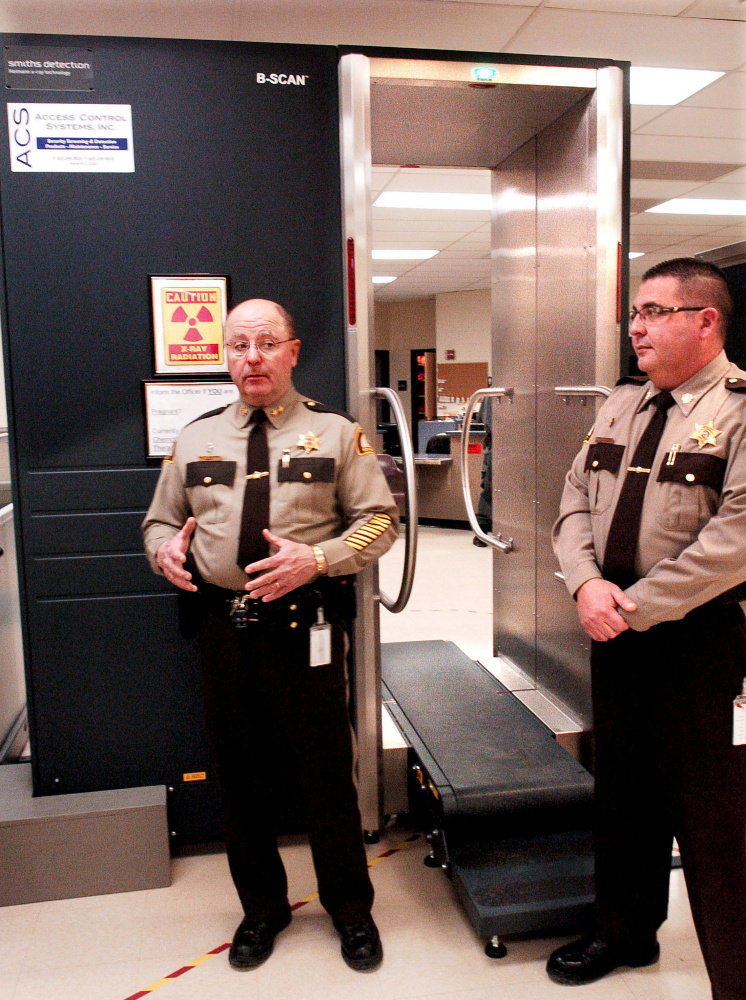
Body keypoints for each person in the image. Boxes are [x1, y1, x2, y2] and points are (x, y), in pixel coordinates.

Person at [143, 298, 399, 973]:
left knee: (325, 776)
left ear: (292, 351)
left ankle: (350, 908)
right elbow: (158, 522)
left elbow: (381, 521)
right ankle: (262, 909)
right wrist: (164, 552)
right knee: (238, 777)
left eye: (265, 344)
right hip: (224, 629)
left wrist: (316, 559)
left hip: (306, 629)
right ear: (224, 356)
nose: (250, 358)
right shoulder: (196, 439)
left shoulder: (338, 434)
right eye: (237, 346)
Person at [550, 258, 746, 999]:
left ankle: (734, 972)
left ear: (706, 321)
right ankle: (624, 932)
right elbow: (572, 500)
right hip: (613, 632)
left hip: (699, 642)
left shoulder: (738, 409)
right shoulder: (620, 408)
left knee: (714, 815)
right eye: (636, 312)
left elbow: (734, 541)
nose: (636, 327)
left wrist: (630, 607)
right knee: (623, 794)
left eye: (657, 311)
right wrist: (585, 582)